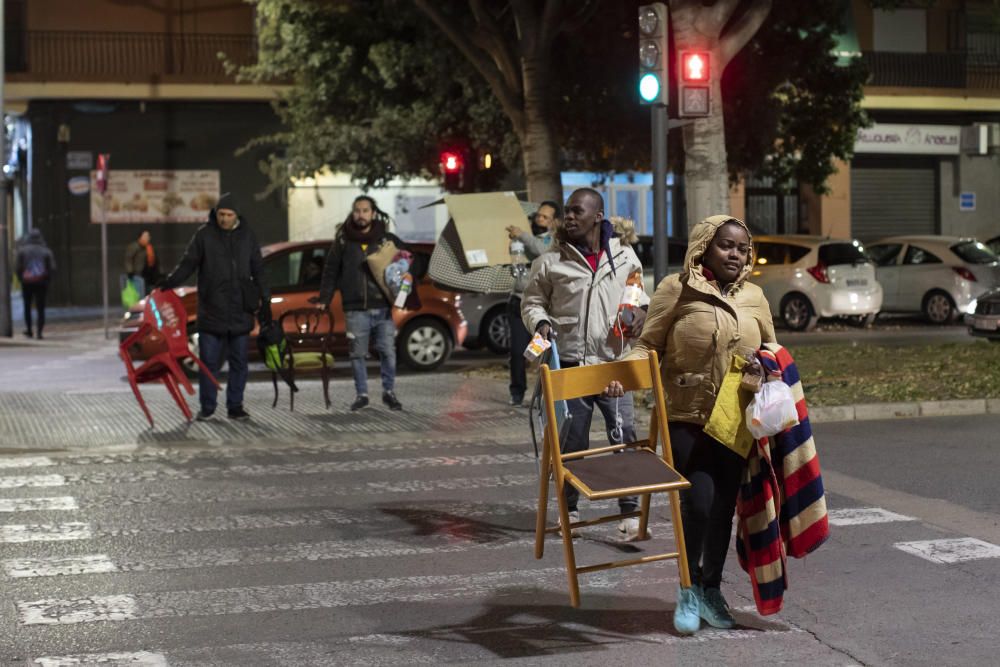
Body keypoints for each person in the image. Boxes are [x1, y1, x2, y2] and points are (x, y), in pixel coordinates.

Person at [604, 215, 776, 635]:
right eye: (726, 246)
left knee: (722, 511)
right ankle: (687, 588)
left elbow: (774, 348)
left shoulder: (755, 296)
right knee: (696, 506)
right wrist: (621, 376)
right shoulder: (674, 289)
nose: (735, 254)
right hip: (686, 415)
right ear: (704, 247)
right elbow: (647, 345)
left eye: (741, 248)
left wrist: (765, 364)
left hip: (735, 418)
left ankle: (710, 589)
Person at [521, 188, 649, 541]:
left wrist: (639, 312)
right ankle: (570, 509)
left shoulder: (624, 258)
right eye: (567, 211)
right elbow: (532, 303)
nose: (570, 217)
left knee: (623, 438)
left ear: (598, 216)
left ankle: (630, 511)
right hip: (571, 367)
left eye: (578, 211)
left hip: (614, 365)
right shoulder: (550, 262)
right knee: (570, 443)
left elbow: (638, 296)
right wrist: (540, 323)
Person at [158, 192, 270, 421]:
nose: (224, 219)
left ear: (236, 215)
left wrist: (265, 298)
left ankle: (235, 406)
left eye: (229, 215)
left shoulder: (247, 236)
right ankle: (207, 407)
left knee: (239, 363)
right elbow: (187, 264)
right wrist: (169, 283)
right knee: (209, 363)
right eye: (221, 214)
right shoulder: (204, 235)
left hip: (240, 310)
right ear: (215, 213)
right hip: (211, 311)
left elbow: (258, 268)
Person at [314, 195, 404, 412]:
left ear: (373, 213)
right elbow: (330, 271)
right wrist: (324, 299)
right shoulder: (343, 240)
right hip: (354, 308)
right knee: (357, 354)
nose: (360, 215)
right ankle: (362, 394)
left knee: (388, 352)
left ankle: (389, 392)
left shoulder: (386, 239)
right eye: (357, 210)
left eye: (365, 210)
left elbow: (407, 261)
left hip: (382, 306)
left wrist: (406, 283)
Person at [504, 200, 558, 406]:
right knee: (518, 352)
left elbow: (540, 250)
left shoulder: (552, 241)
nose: (540, 220)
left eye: (545, 217)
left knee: (543, 352)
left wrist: (522, 236)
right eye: (538, 216)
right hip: (518, 304)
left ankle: (545, 393)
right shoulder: (521, 240)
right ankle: (517, 392)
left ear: (554, 222)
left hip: (543, 310)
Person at [15, 228, 56, 339]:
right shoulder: (46, 251)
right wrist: (47, 280)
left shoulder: (22, 251)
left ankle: (29, 330)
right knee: (40, 308)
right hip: (41, 283)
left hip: (27, 283)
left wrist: (21, 279)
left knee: (27, 307)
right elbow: (52, 268)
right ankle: (39, 332)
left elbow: (18, 267)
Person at [124, 230, 160, 295]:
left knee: (149, 292)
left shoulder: (150, 247)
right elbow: (128, 259)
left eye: (148, 236)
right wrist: (130, 271)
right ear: (140, 237)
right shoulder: (134, 246)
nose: (148, 238)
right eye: (145, 236)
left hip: (149, 274)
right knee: (139, 292)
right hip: (138, 273)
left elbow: (155, 260)